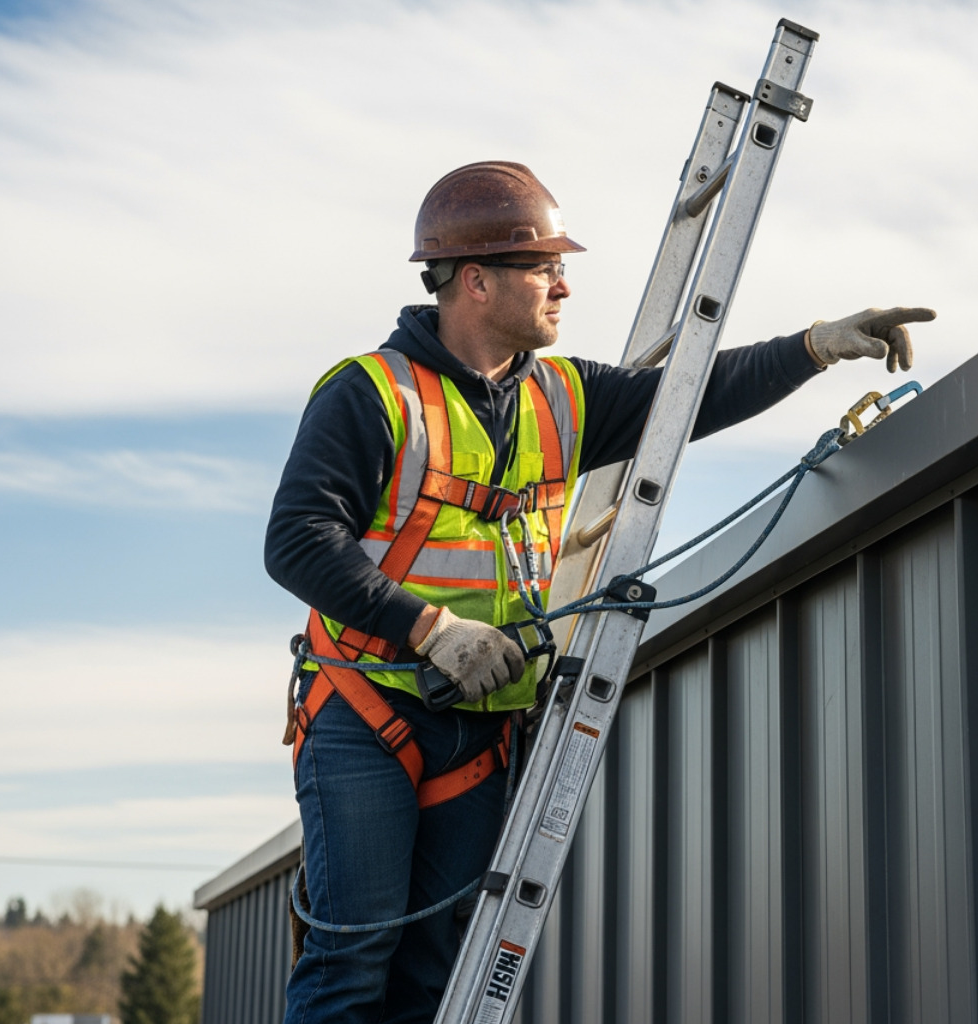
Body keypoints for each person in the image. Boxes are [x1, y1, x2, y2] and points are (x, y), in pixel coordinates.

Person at [264, 160, 933, 1023]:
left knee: (436, 975)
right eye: (544, 268)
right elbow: (296, 541)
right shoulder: (372, 394)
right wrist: (432, 628)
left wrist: (816, 346)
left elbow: (691, 397)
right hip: (368, 712)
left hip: (479, 726)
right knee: (354, 959)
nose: (564, 285)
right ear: (474, 282)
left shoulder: (563, 396)